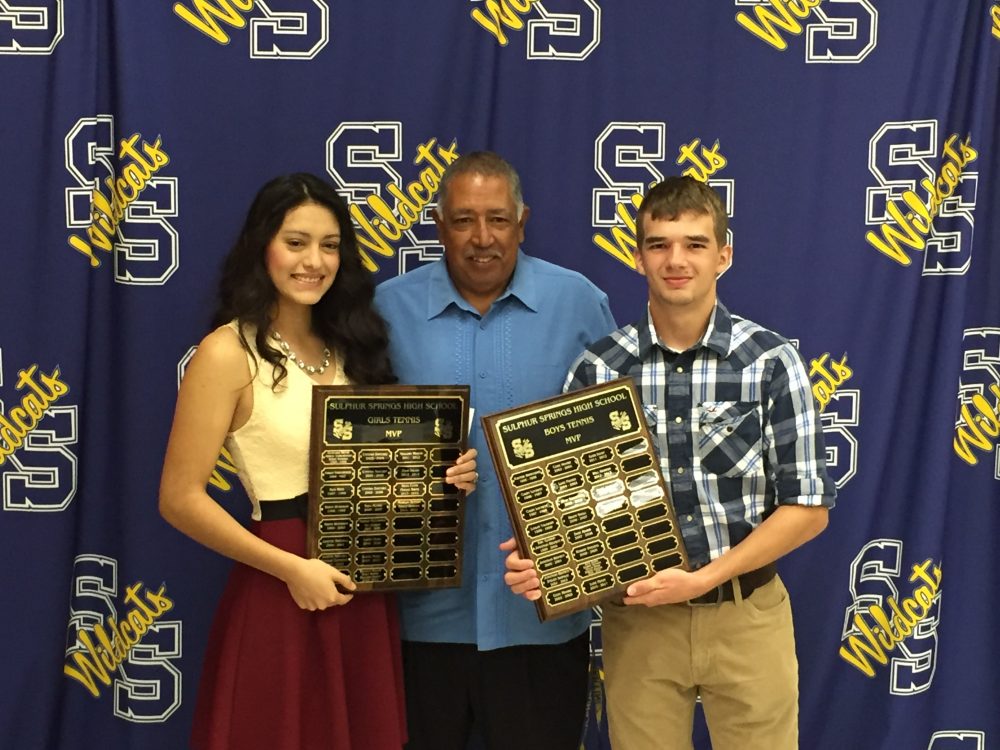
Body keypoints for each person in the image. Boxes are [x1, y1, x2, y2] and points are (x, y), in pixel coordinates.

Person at [503, 176, 836, 750]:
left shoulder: (770, 361)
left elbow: (808, 509)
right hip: (639, 623)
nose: (675, 260)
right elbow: (568, 506)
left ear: (723, 256)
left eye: (695, 244)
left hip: (746, 615)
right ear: (638, 257)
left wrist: (703, 579)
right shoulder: (599, 369)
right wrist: (546, 561)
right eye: (659, 244)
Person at [158, 173, 477, 750]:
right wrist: (291, 569)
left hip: (362, 588)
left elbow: (380, 471)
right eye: (296, 242)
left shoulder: (355, 346)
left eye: (329, 245)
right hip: (281, 585)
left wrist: (442, 477)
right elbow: (179, 498)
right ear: (263, 247)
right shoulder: (227, 352)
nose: (314, 261)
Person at [374, 151, 617, 750]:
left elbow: (617, 456)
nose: (482, 238)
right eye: (463, 220)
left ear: (523, 221)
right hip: (421, 620)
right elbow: (352, 450)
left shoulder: (581, 303)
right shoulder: (385, 309)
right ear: (437, 224)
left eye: (498, 220)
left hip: (541, 623)